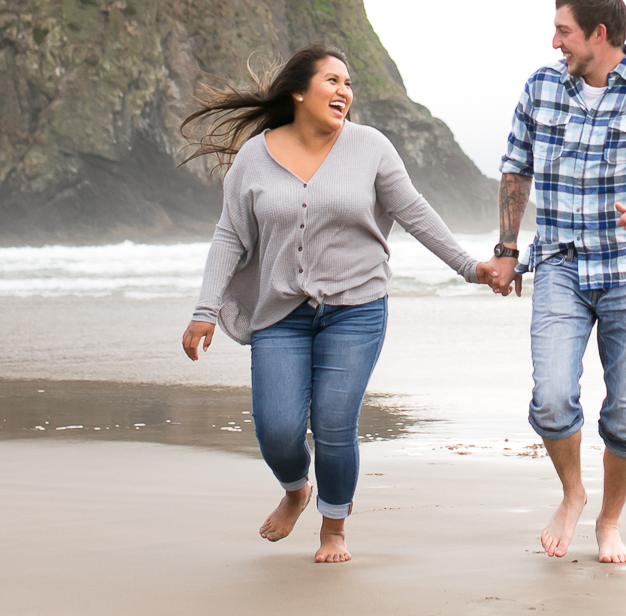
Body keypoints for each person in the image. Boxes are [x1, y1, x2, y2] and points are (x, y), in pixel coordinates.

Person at [180, 45, 506, 564]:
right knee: (277, 428)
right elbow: (229, 237)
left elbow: (414, 211)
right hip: (280, 312)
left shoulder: (370, 147)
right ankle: (295, 490)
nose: (344, 91)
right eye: (332, 80)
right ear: (299, 91)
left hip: (356, 308)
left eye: (348, 83)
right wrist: (204, 310)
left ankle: (334, 529)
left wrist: (470, 267)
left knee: (334, 423)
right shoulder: (254, 157)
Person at [484, 0, 626, 563]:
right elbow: (514, 170)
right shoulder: (542, 86)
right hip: (558, 264)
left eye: (564, 31)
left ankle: (610, 521)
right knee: (552, 399)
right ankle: (573, 492)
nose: (555, 42)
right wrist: (507, 249)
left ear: (598, 34)